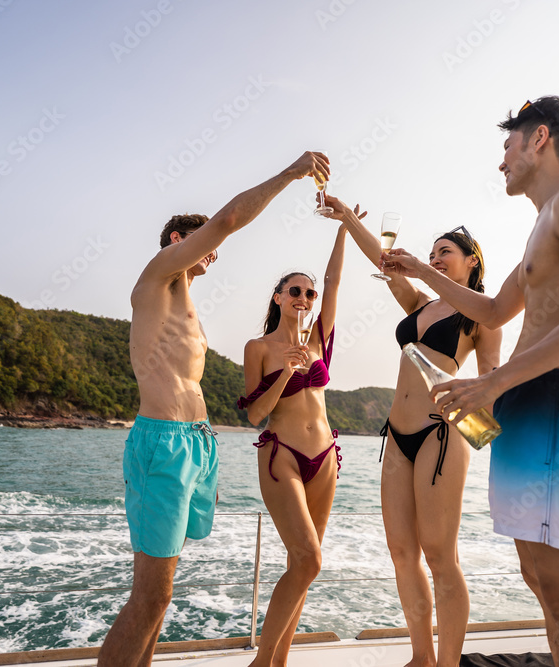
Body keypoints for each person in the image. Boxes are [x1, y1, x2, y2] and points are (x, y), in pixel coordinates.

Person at [384, 96, 559, 667]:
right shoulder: (542, 226)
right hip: (527, 406)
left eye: (507, 144)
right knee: (539, 578)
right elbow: (494, 311)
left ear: (538, 138)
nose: (501, 160)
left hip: (555, 402)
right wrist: (422, 271)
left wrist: (493, 384)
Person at [98, 151, 329, 667]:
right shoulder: (157, 277)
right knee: (151, 595)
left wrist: (204, 452)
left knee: (164, 595)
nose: (216, 253)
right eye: (207, 246)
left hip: (192, 447)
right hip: (161, 442)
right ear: (181, 241)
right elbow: (227, 221)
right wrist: (291, 173)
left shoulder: (188, 305)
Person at [326, 195, 502, 667]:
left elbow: (492, 382)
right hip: (396, 437)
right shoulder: (420, 303)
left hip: (439, 437)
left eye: (447, 251)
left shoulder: (482, 314)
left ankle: (448, 664)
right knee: (402, 551)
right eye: (434, 250)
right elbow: (384, 260)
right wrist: (345, 216)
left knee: (440, 554)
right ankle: (421, 656)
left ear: (471, 262)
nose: (436, 256)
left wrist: (478, 398)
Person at [236, 220, 350, 666]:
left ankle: (279, 661)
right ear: (278, 297)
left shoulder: (321, 335)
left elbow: (336, 278)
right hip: (281, 455)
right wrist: (287, 370)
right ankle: (261, 663)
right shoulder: (258, 347)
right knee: (310, 561)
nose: (304, 298)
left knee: (301, 568)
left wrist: (344, 226)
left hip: (325, 459)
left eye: (309, 292)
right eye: (294, 291)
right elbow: (253, 414)